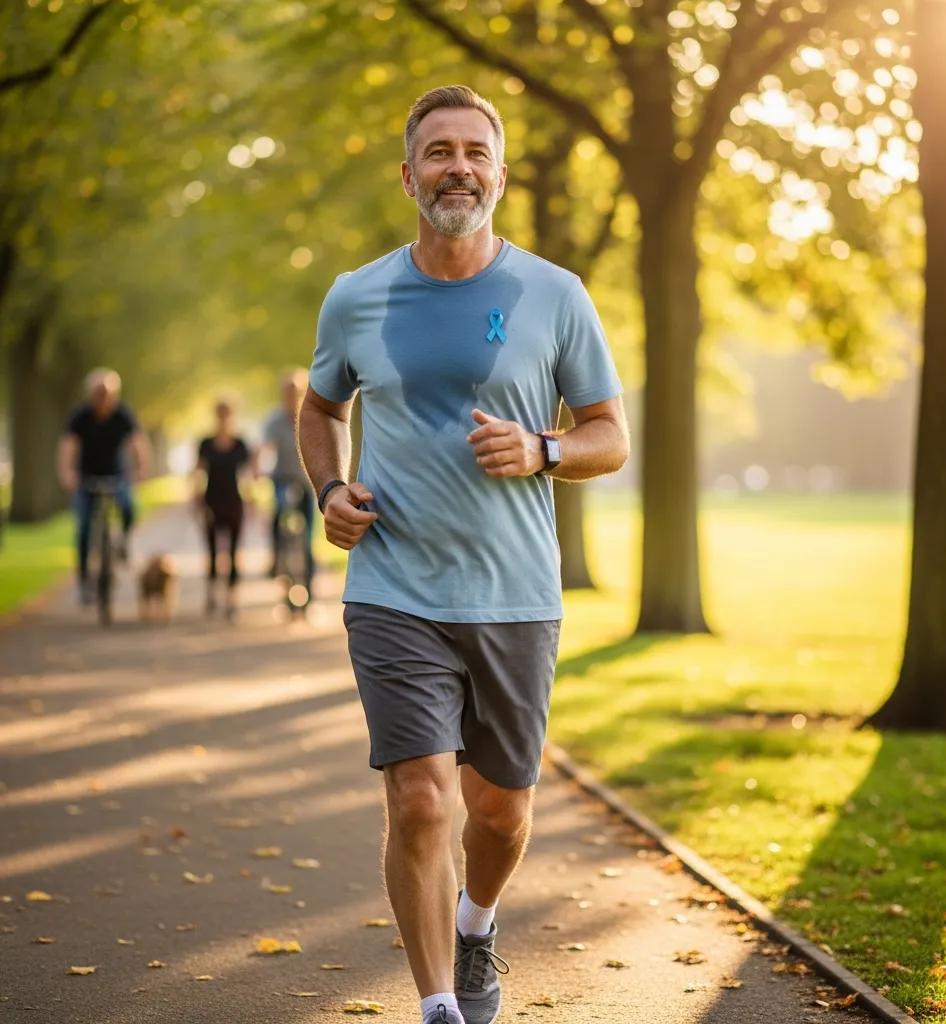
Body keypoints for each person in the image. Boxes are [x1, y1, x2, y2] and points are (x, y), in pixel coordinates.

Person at [298, 86, 629, 1024]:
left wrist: (545, 451)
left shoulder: (554, 295)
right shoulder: (356, 295)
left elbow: (610, 434)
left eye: (475, 152)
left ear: (500, 174)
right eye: (438, 152)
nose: (458, 167)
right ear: (409, 176)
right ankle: (440, 1005)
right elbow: (322, 409)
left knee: (500, 813)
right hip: (395, 588)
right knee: (419, 802)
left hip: (518, 596)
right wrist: (330, 491)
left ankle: (476, 924)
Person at [58, 368, 150, 605]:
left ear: (114, 393)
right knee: (84, 528)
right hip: (86, 477)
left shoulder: (122, 415)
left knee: (128, 507)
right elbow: (69, 445)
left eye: (107, 392)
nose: (102, 397)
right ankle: (84, 580)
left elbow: (137, 442)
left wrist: (141, 468)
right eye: (98, 392)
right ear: (90, 393)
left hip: (116, 476)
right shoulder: (81, 416)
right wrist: (67, 472)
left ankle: (123, 542)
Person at [195, 398, 251, 619]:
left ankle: (231, 597)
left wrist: (250, 499)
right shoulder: (206, 444)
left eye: (227, 414)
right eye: (220, 414)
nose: (223, 419)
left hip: (234, 500)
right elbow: (198, 471)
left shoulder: (240, 444)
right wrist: (195, 495)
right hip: (211, 500)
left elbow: (245, 475)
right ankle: (211, 594)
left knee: (234, 551)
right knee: (212, 551)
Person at [261, 369, 315, 585]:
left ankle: (309, 587)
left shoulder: (311, 417)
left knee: (308, 537)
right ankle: (276, 557)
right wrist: (260, 466)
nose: (291, 396)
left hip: (307, 481)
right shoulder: (274, 420)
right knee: (279, 514)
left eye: (295, 391)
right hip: (282, 479)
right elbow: (266, 448)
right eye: (287, 392)